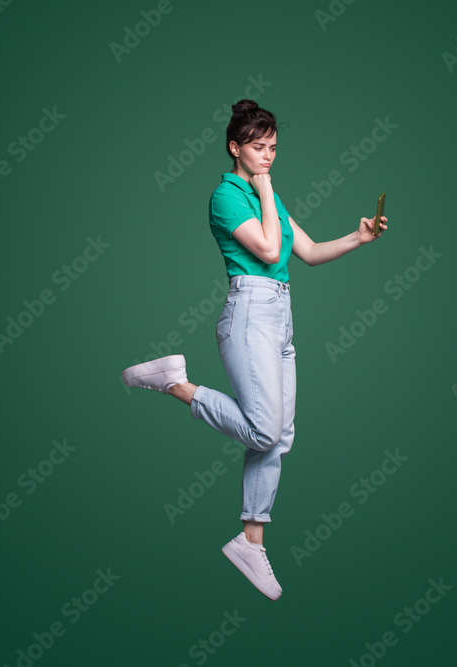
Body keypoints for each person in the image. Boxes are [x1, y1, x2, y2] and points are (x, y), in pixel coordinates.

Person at [120, 99, 388, 600]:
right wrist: (264, 190)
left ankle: (251, 540)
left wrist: (357, 237)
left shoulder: (268, 195)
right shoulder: (227, 197)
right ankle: (174, 382)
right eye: (259, 148)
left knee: (277, 435)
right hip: (249, 314)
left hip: (281, 317)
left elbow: (303, 253)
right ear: (234, 148)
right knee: (264, 427)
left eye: (273, 149)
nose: (268, 157)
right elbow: (267, 251)